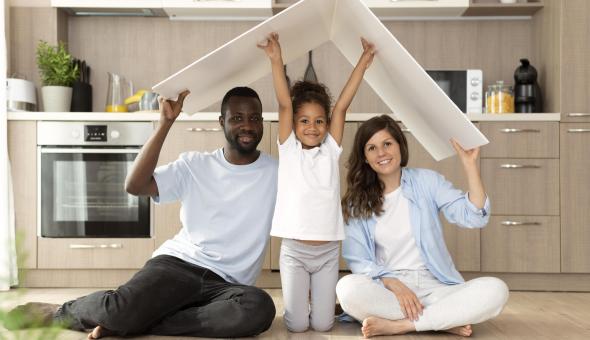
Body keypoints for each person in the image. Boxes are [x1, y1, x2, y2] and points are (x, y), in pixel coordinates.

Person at [8, 87, 278, 339]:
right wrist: (165, 124)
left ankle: (140, 320)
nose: (247, 125)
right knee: (118, 310)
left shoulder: (276, 173)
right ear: (222, 122)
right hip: (178, 267)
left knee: (259, 308)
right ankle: (60, 312)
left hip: (228, 287)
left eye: (254, 118)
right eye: (237, 118)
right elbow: (135, 185)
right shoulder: (195, 165)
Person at [336, 115, 509, 338]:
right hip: (388, 288)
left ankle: (402, 325)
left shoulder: (427, 181)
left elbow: (474, 217)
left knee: (496, 290)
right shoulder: (356, 202)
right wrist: (395, 285)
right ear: (365, 158)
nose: (381, 153)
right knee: (347, 289)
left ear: (400, 145)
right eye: (372, 148)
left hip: (437, 286)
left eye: (387, 144)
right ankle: (442, 320)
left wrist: (470, 166)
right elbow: (358, 260)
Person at [257, 32, 375, 333]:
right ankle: (304, 300)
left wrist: (363, 61)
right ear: (294, 125)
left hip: (326, 253)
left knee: (323, 325)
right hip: (295, 251)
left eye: (319, 121)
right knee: (296, 326)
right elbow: (284, 104)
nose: (312, 127)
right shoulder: (289, 150)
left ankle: (324, 303)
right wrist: (276, 60)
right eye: (304, 121)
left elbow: (343, 106)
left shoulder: (330, 151)